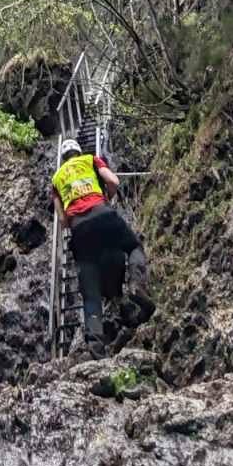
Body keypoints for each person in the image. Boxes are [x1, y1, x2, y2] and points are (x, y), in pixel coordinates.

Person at [51, 138, 152, 358]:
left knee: (91, 294)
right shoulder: (90, 160)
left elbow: (63, 220)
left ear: (63, 158)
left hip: (80, 230)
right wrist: (107, 198)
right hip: (103, 214)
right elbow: (113, 181)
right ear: (78, 151)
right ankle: (137, 285)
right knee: (133, 246)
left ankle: (96, 345)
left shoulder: (57, 179)